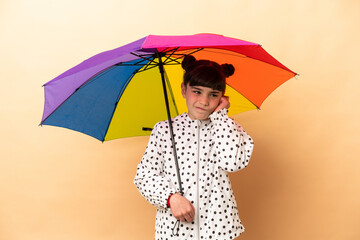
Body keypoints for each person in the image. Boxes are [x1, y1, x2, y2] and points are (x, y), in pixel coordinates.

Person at [134, 55, 254, 240]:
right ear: (184, 89)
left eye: (213, 95)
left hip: (218, 229)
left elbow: (233, 163)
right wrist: (171, 197)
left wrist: (221, 116)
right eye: (197, 91)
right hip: (174, 230)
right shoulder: (165, 129)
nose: (204, 101)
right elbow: (144, 176)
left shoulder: (228, 127)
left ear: (222, 97)